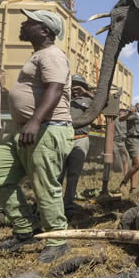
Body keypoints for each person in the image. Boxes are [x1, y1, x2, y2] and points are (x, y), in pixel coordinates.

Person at [0, 8, 74, 263]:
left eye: (29, 22)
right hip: (24, 130)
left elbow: (55, 89)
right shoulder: (38, 55)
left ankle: (57, 241)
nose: (23, 25)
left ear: (44, 30)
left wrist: (35, 120)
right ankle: (25, 229)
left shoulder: (52, 55)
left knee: (45, 187)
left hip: (46, 128)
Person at [59, 75, 93, 207]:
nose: (75, 88)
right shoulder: (62, 98)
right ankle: (55, 204)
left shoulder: (88, 100)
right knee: (58, 174)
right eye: (73, 85)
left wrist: (86, 93)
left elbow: (105, 103)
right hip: (62, 139)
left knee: (73, 174)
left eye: (79, 85)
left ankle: (68, 203)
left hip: (80, 140)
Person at [117, 93, 139, 194]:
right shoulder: (133, 109)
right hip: (132, 140)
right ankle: (123, 183)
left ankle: (133, 189)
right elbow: (121, 118)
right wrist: (129, 114)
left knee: (135, 165)